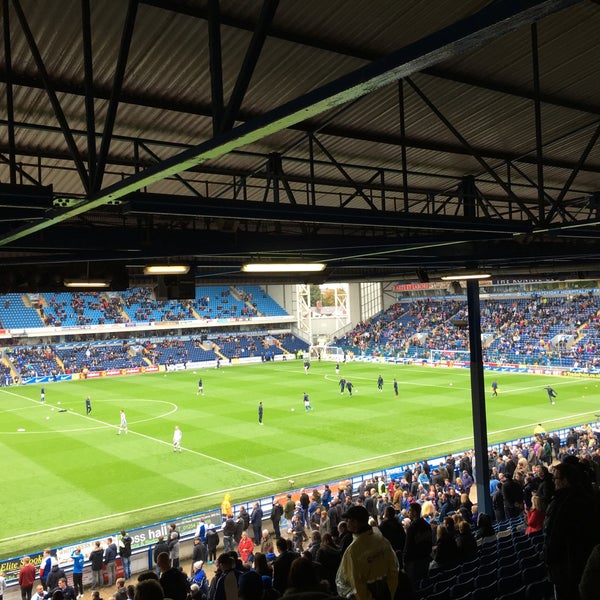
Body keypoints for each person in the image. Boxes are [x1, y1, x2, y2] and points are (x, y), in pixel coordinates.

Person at [335, 505, 399, 600]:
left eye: (348, 520)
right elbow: (394, 570)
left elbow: (356, 584)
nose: (347, 523)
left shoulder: (353, 550)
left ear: (355, 523)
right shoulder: (382, 540)